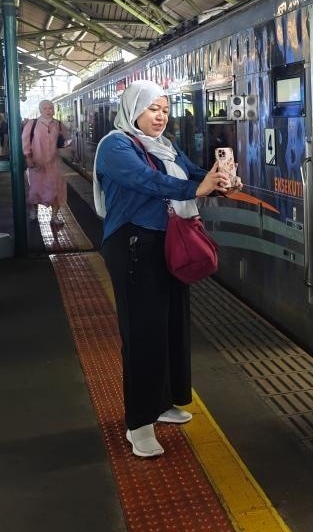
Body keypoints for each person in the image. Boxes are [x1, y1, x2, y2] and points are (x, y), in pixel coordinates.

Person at [93, 81, 234, 458]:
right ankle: (138, 424)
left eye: (165, 110)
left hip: (167, 243)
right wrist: (197, 190)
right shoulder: (115, 146)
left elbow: (191, 174)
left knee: (171, 325)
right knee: (143, 333)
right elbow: (148, 181)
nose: (161, 117)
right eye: (153, 109)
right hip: (134, 246)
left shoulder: (165, 146)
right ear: (133, 108)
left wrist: (220, 181)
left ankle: (162, 402)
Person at [22, 100, 72, 224]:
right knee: (35, 190)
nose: (48, 110)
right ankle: (33, 211)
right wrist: (28, 157)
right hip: (37, 164)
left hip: (54, 164)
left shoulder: (58, 124)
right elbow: (25, 141)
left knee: (57, 190)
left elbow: (67, 140)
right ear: (40, 110)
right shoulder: (32, 124)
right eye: (45, 108)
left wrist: (67, 146)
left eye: (50, 108)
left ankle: (54, 216)